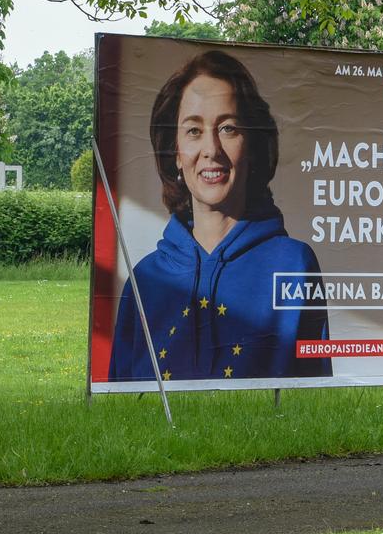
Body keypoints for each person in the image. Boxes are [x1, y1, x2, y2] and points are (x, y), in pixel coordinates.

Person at [110, 49, 329, 382]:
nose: (211, 149)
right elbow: (120, 404)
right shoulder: (145, 280)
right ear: (175, 153)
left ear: (252, 146)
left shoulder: (294, 264)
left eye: (228, 128)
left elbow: (316, 397)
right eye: (194, 131)